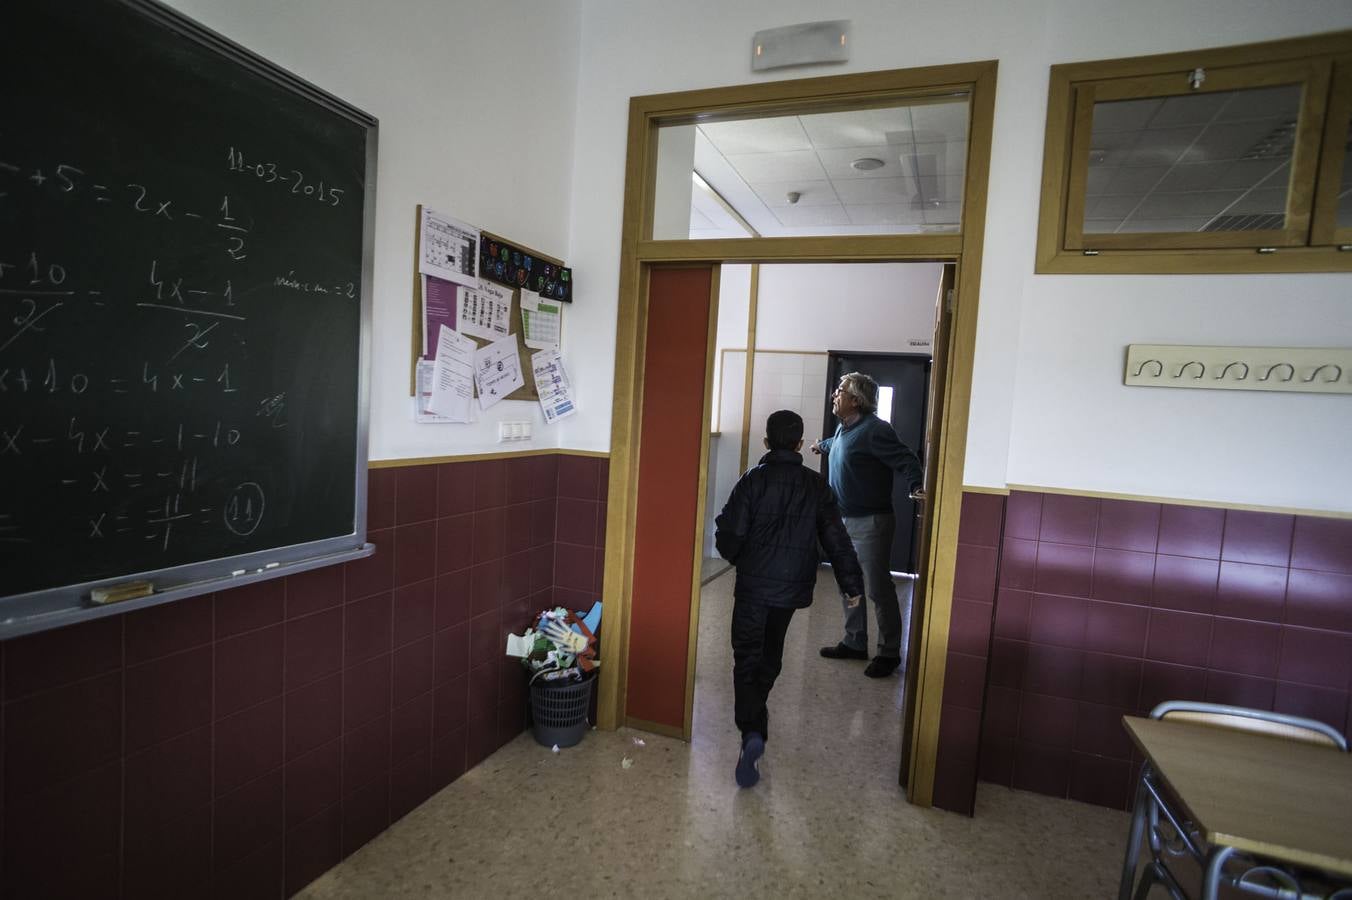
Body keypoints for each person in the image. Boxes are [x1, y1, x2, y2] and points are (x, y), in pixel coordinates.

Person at [715, 409, 864, 788]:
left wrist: (740, 557)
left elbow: (728, 534)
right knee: (770, 656)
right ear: (800, 444)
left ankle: (752, 731)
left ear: (766, 443)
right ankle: (755, 724)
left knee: (746, 656)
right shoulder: (816, 486)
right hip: (789, 590)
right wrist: (851, 585)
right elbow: (837, 539)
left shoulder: (751, 481)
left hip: (752, 587)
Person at [810, 372, 925, 678]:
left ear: (856, 400)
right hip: (841, 520)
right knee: (849, 583)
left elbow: (907, 459)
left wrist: (915, 485)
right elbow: (838, 446)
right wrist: (821, 446)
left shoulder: (876, 430)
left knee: (877, 589)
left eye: (840, 391)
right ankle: (854, 642)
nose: (835, 395)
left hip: (870, 522)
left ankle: (889, 653)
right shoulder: (842, 428)